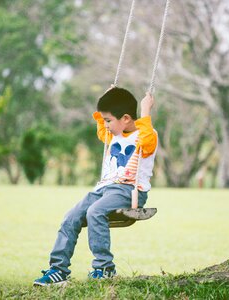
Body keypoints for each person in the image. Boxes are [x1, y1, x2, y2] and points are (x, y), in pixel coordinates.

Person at [33, 87, 158, 286]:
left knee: (94, 212)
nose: (105, 125)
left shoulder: (145, 136)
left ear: (126, 118)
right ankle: (58, 270)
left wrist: (145, 112)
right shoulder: (112, 135)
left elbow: (147, 137)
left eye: (109, 120)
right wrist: (106, 101)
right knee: (71, 217)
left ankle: (104, 268)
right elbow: (102, 127)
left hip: (129, 191)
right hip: (103, 190)